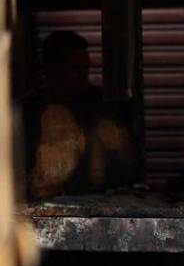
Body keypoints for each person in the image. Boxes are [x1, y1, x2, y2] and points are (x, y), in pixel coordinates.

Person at [22, 30, 134, 199]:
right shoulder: (29, 111)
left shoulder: (97, 104)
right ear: (52, 69)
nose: (84, 74)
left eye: (86, 67)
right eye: (75, 68)